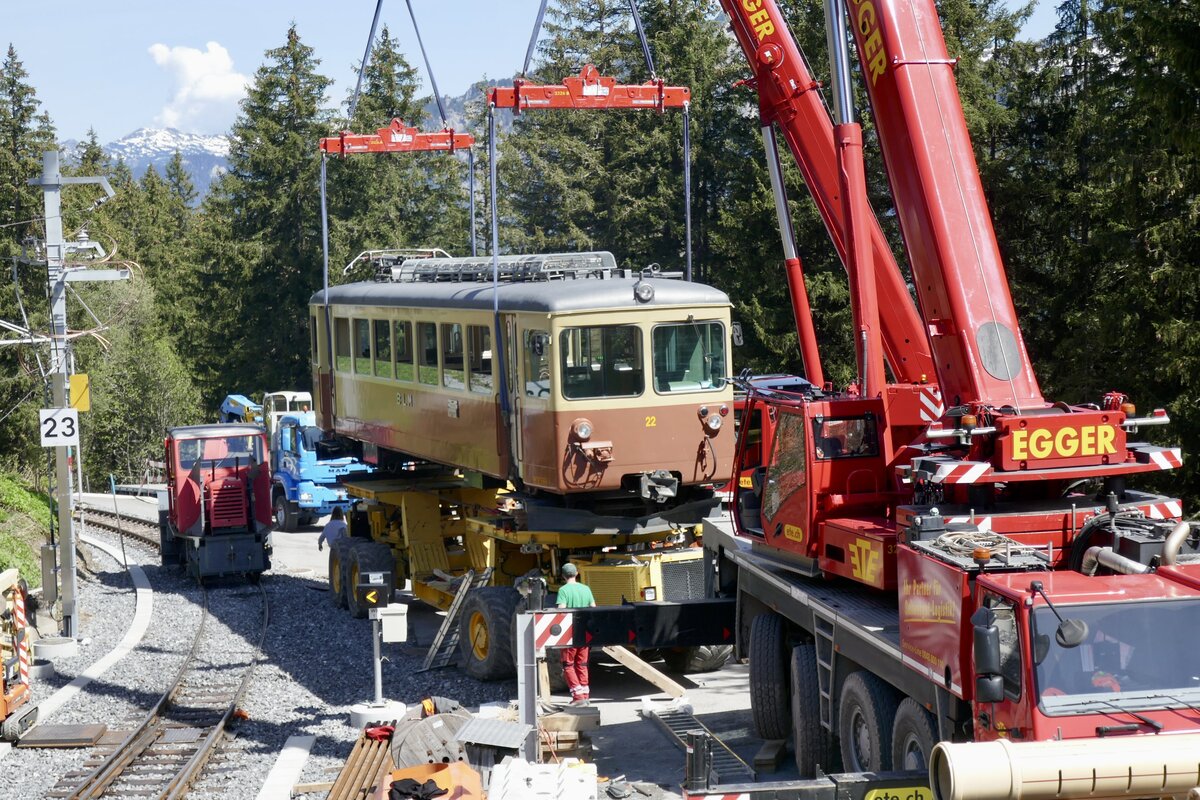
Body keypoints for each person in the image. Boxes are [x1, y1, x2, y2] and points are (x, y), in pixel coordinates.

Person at [556, 562, 596, 705]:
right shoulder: (586, 589)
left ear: (563, 576)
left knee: (568, 664)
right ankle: (585, 695)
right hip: (585, 633)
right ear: (577, 574)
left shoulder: (563, 590)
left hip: (570, 634)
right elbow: (593, 608)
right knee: (582, 664)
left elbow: (561, 610)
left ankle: (577, 697)